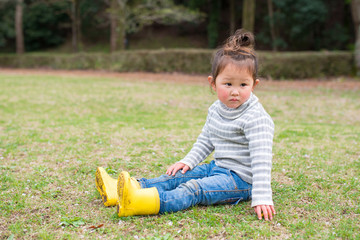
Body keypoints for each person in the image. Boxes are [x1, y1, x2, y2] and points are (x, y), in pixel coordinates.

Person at [95, 29, 276, 221]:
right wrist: (188, 161)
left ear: (254, 85)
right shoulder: (216, 109)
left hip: (241, 181)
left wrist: (262, 195)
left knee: (194, 189)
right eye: (228, 84)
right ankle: (121, 189)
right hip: (218, 167)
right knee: (178, 176)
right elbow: (206, 140)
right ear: (213, 84)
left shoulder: (256, 117)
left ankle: (141, 202)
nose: (235, 92)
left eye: (243, 85)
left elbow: (262, 159)